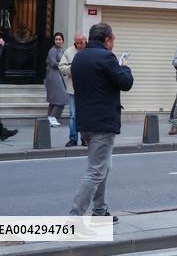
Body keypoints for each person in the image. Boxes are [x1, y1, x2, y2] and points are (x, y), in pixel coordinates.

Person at [69, 23, 133, 222]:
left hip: (85, 121)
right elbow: (125, 83)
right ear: (106, 40)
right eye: (112, 40)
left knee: (102, 167)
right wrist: (125, 68)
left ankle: (100, 211)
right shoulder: (106, 57)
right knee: (96, 171)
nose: (113, 44)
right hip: (103, 122)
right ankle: (75, 218)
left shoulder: (79, 57)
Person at [59, 31, 87, 147]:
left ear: (85, 41)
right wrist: (73, 66)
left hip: (87, 89)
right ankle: (73, 138)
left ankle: (85, 138)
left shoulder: (89, 51)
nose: (80, 45)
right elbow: (61, 68)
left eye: (82, 42)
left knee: (86, 114)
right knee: (73, 115)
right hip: (73, 89)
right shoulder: (68, 52)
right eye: (77, 43)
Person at [45, 33, 68, 127]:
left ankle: (50, 118)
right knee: (61, 99)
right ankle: (53, 118)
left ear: (62, 40)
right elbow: (53, 63)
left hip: (59, 75)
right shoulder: (52, 50)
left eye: (60, 39)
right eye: (56, 39)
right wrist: (64, 65)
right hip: (53, 76)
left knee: (55, 100)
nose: (58, 41)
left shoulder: (61, 50)